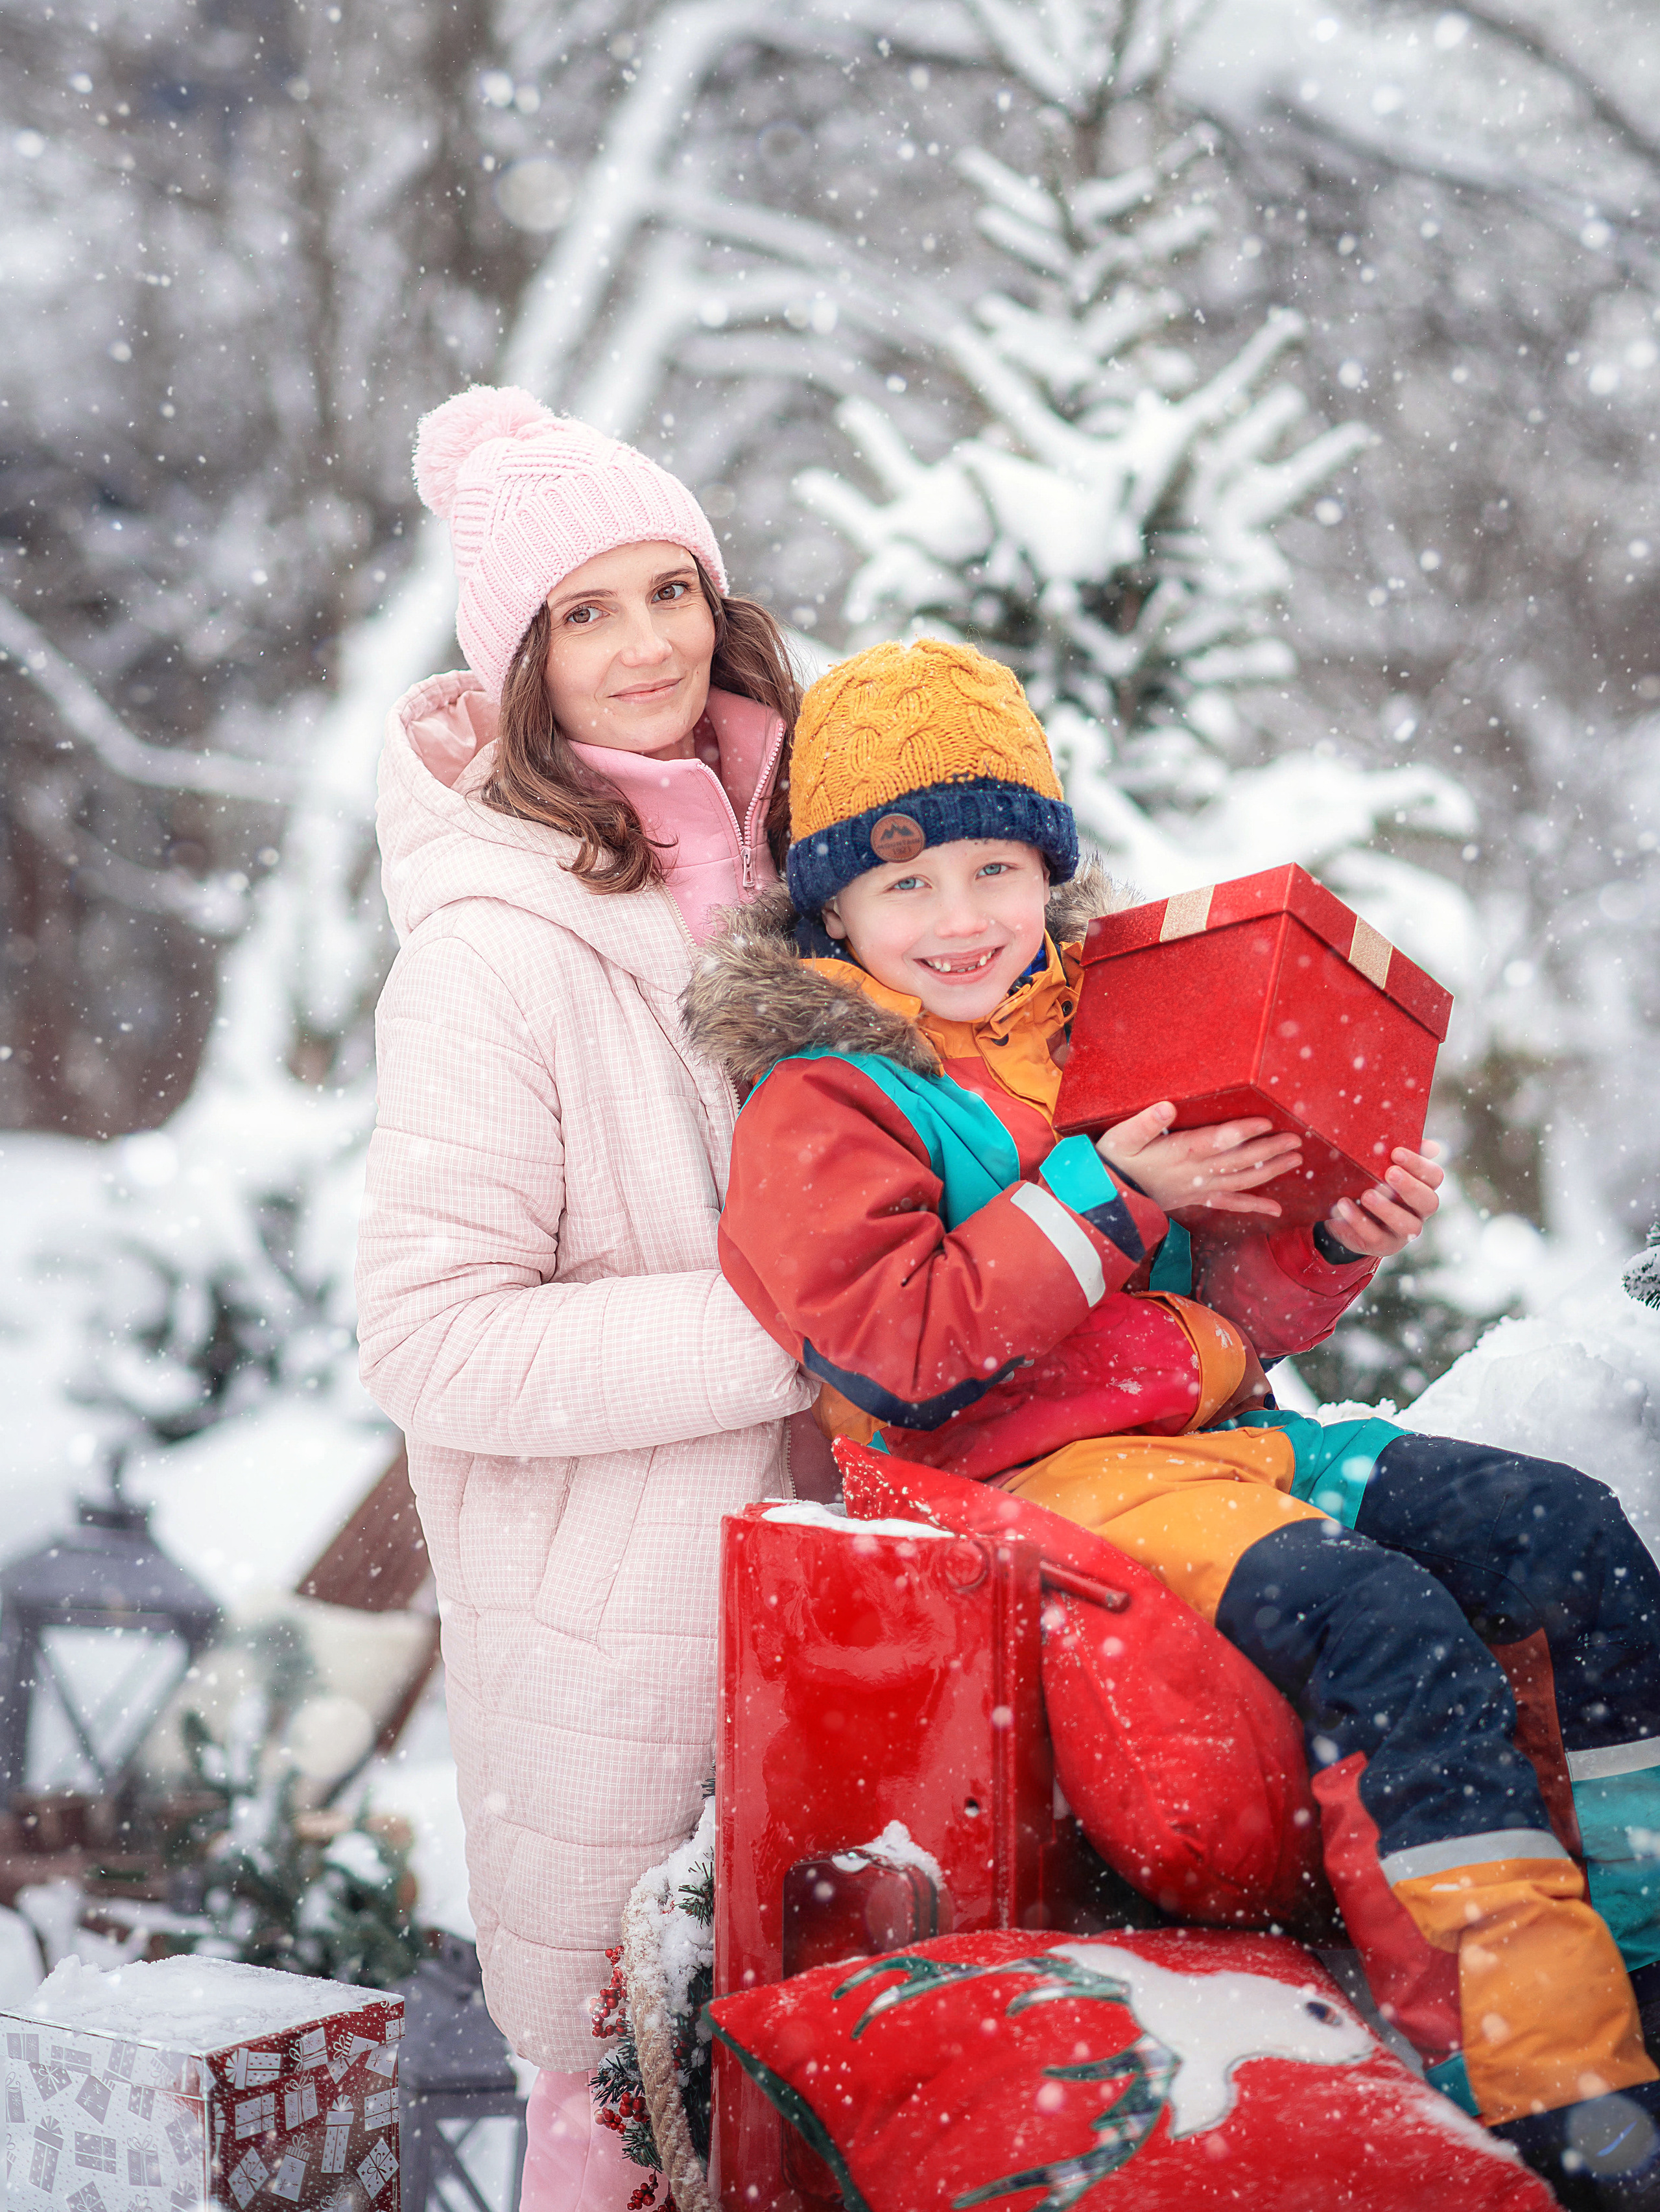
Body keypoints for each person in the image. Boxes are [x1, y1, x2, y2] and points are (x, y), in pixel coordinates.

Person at [689, 634, 1660, 2211]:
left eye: (995, 867)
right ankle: (1544, 2078)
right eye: (908, 884)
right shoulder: (827, 1094)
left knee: (1570, 1538)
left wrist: (1327, 1236)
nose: (960, 919)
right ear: (834, 913)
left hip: (1214, 1437)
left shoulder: (1096, 1027)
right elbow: (902, 1343)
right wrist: (1101, 1187)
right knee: (1385, 1623)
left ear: (1046, 872)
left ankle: (1636, 1944)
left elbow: (1212, 1308)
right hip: (1024, 1476)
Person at [355, 384, 822, 2212]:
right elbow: (436, 1336)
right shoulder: (488, 954)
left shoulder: (812, 868)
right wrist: (794, 1321)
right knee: (623, 2144)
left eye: (670, 590)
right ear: (523, 658)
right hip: (626, 1662)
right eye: (586, 610)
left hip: (851, 1607)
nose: (647, 646)